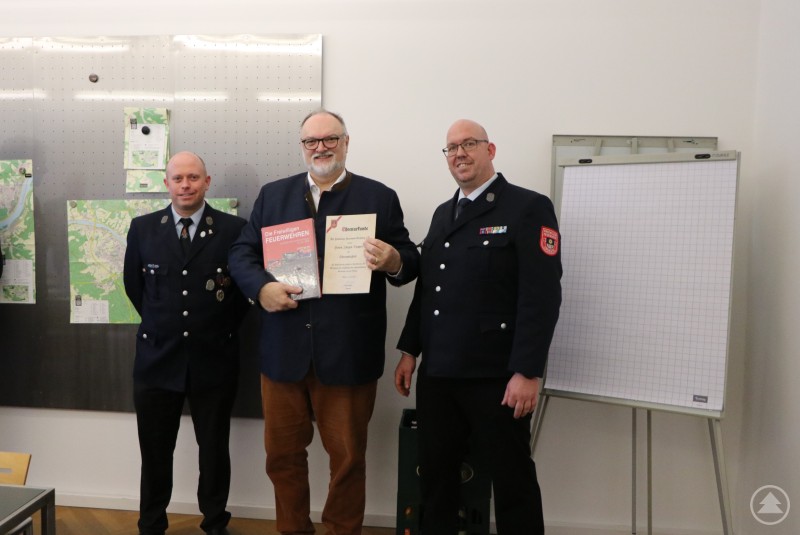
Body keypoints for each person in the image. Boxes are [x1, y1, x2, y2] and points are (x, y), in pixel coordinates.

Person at [228, 109, 419, 535]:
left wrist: (393, 260)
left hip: (348, 353)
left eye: (330, 139)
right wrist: (261, 288)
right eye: (311, 141)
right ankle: (292, 530)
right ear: (301, 147)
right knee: (282, 457)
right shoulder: (272, 195)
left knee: (349, 459)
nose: (321, 148)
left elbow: (409, 262)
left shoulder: (379, 196)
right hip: (283, 352)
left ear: (346, 142)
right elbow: (241, 255)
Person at [394, 119, 562, 534]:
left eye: (469, 144)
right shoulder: (442, 212)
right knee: (436, 476)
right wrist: (409, 351)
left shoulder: (527, 207)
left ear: (491, 150)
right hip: (438, 374)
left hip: (497, 375)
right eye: (451, 148)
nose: (459, 153)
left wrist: (527, 370)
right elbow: (429, 292)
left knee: (511, 479)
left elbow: (541, 297)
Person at [123, 151, 248, 535]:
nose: (186, 185)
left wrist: (214, 328)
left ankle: (214, 522)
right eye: (178, 178)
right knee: (156, 452)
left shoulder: (234, 228)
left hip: (213, 358)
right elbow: (135, 287)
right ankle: (151, 523)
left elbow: (243, 294)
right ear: (167, 184)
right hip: (157, 359)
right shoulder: (143, 228)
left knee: (213, 451)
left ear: (207, 182)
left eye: (193, 177)